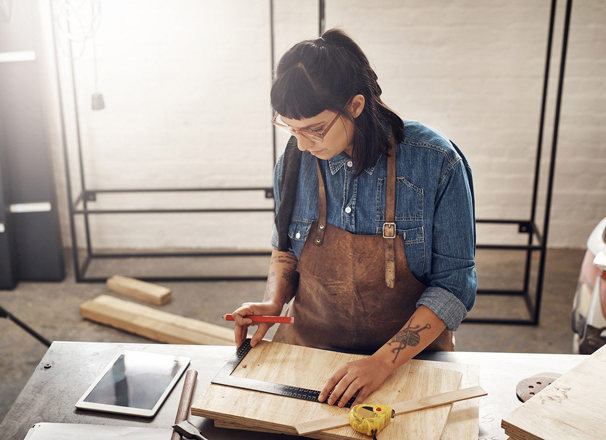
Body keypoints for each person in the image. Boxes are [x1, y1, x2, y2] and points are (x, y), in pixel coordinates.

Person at [231, 28, 477, 408]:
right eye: (290, 128)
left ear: (356, 105)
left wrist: (381, 363)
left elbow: (454, 285)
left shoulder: (436, 162)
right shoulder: (295, 160)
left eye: (314, 129)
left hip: (409, 365)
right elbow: (285, 249)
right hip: (311, 358)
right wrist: (273, 303)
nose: (301, 144)